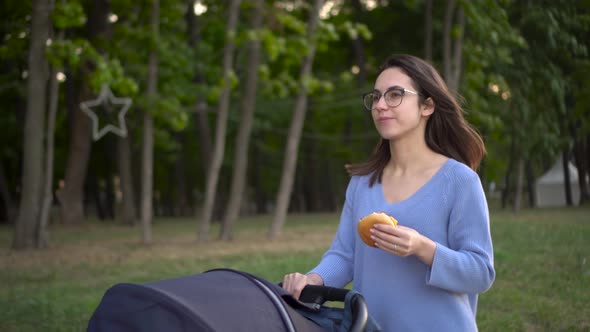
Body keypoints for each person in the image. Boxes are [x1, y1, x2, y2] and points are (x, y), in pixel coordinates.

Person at [282, 54, 495, 331]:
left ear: (427, 105)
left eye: (395, 95)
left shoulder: (460, 181)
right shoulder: (362, 183)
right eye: (376, 96)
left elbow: (481, 273)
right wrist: (313, 280)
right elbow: (345, 255)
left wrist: (422, 248)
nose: (381, 105)